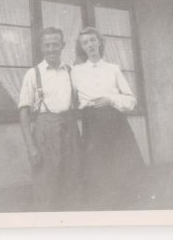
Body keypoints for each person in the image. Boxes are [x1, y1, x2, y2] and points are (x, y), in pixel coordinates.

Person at [71, 27, 145, 210]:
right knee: (97, 167)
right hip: (92, 122)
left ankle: (124, 208)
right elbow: (71, 100)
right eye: (85, 42)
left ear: (99, 42)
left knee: (119, 165)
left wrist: (110, 99)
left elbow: (131, 100)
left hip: (114, 122)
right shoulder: (76, 71)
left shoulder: (113, 69)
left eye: (93, 40)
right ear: (81, 47)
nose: (90, 45)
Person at [18, 27, 82, 211]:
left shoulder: (71, 72)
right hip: (44, 133)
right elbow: (23, 111)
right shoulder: (33, 74)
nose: (51, 49)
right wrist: (31, 147)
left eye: (55, 44)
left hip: (70, 131)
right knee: (45, 187)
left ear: (62, 46)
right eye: (47, 45)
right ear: (41, 47)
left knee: (73, 182)